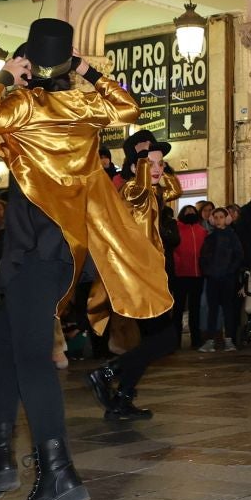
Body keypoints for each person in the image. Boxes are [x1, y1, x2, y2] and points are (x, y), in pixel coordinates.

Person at [0, 19, 170, 500]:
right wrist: (87, 71)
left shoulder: (23, 105)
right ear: (67, 64)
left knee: (30, 356)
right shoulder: (82, 106)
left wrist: (6, 76)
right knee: (2, 345)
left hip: (37, 248)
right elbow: (128, 107)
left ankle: (58, 475)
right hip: (50, 249)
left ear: (29, 62)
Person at [85, 130, 184, 419]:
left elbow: (175, 189)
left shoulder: (154, 190)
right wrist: (143, 161)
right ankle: (107, 373)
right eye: (149, 164)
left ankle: (121, 399)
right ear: (133, 166)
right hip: (138, 276)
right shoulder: (130, 190)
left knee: (153, 341)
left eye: (161, 164)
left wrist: (155, 163)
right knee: (166, 339)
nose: (157, 169)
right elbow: (139, 189)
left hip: (149, 273)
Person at [200, 206, 244, 349]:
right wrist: (208, 271)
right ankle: (210, 340)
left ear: (227, 219)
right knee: (212, 309)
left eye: (221, 217)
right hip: (213, 278)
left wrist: (230, 271)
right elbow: (203, 258)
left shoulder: (233, 236)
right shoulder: (210, 237)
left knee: (228, 308)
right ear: (212, 219)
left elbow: (238, 256)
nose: (219, 220)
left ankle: (229, 339)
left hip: (227, 278)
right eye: (216, 217)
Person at [173, 204, 207, 349]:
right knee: (178, 310)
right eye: (186, 211)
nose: (189, 213)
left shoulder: (202, 230)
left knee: (195, 310)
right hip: (180, 275)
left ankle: (196, 340)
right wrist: (177, 263)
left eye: (192, 211)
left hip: (197, 275)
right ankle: (174, 342)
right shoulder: (177, 228)